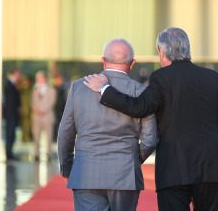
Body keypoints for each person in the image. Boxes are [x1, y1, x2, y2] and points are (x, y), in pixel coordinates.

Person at [84, 28, 218, 211]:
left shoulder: (161, 77)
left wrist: (104, 89)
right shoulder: (214, 78)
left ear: (161, 51)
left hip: (174, 168)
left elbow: (139, 107)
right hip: (210, 167)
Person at [58, 38, 158, 211]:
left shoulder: (78, 88)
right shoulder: (141, 92)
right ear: (132, 63)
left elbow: (66, 132)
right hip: (125, 173)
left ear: (103, 60)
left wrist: (67, 166)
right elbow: (150, 139)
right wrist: (132, 159)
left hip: (85, 172)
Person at [31, 71, 56, 161]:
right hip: (36, 117)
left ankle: (49, 153)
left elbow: (52, 102)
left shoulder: (51, 90)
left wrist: (43, 110)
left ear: (45, 79)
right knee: (36, 136)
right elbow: (32, 102)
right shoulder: (35, 90)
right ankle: (36, 154)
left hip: (47, 116)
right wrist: (37, 110)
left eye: (40, 78)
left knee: (49, 136)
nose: (39, 80)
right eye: (37, 78)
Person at [4, 67, 21, 161]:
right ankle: (8, 153)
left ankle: (9, 152)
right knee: (10, 134)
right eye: (18, 74)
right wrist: (17, 106)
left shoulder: (13, 84)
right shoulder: (9, 85)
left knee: (11, 134)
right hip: (11, 114)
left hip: (12, 114)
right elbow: (11, 100)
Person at [20, 76, 33, 142]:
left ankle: (29, 138)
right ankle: (25, 138)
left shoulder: (31, 91)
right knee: (24, 127)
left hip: (31, 112)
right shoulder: (21, 91)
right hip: (23, 113)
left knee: (31, 127)